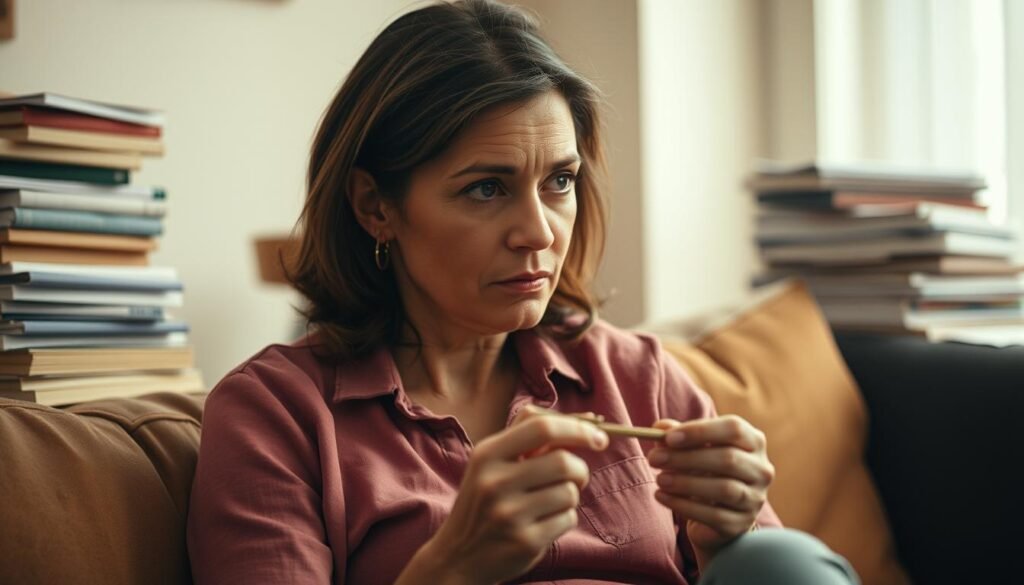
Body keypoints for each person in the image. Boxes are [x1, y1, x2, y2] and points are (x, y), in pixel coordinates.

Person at [186, 1, 861, 583]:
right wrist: (451, 566)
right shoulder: (275, 415)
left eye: (559, 181)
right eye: (486, 188)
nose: (538, 232)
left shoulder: (641, 376)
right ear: (374, 206)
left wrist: (727, 539)